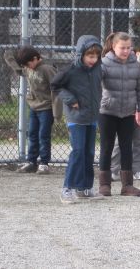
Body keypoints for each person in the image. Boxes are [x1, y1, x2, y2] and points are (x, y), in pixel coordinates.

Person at [51, 35, 104, 204]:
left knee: (89, 153)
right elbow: (55, 85)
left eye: (96, 56)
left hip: (92, 117)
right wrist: (71, 100)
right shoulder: (70, 70)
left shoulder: (98, 68)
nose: (93, 60)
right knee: (78, 151)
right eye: (90, 56)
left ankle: (85, 188)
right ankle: (67, 188)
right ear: (81, 54)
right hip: (76, 118)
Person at [98, 32, 140, 197]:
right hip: (107, 112)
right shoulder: (104, 64)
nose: (126, 51)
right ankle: (104, 184)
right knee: (106, 147)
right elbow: (95, 86)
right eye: (122, 48)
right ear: (113, 47)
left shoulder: (136, 65)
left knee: (127, 147)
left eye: (129, 48)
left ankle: (127, 185)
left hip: (127, 112)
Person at [8, 46, 62, 174]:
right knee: (32, 134)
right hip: (34, 106)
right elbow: (19, 69)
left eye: (28, 63)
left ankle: (44, 163)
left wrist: (57, 112)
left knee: (43, 135)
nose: (27, 66)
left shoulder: (47, 69)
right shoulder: (28, 68)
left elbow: (56, 90)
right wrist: (9, 57)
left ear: (35, 58)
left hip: (46, 108)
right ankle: (31, 161)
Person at [111, 46, 140, 182]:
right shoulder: (112, 66)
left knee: (139, 140)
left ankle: (137, 169)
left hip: (137, 109)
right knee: (118, 142)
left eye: (131, 50)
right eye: (124, 49)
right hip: (120, 111)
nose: (127, 53)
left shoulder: (138, 68)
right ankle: (114, 169)